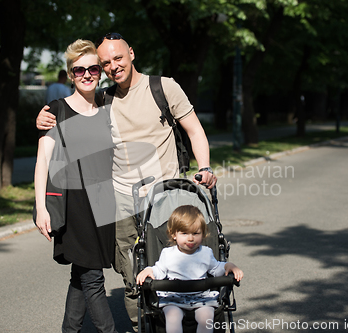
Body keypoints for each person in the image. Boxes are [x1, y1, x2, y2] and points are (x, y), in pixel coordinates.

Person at [36, 32, 217, 331]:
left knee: (174, 273)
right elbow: (68, 113)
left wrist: (205, 166)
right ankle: (141, 327)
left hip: (165, 198)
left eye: (117, 58)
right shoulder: (103, 98)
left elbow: (195, 131)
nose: (112, 66)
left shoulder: (163, 87)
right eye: (104, 62)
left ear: (131, 54)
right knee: (131, 278)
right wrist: (42, 118)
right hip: (118, 201)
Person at [34, 39, 117, 333]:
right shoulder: (57, 110)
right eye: (79, 69)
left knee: (80, 276)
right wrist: (41, 207)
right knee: (93, 278)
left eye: (93, 68)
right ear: (70, 74)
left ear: (100, 71)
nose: (86, 74)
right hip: (75, 206)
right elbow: (43, 161)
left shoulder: (109, 105)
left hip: (105, 203)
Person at [136, 205, 243, 333]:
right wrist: (149, 270)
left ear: (203, 234)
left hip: (201, 297)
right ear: (174, 234)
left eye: (196, 233)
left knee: (206, 318)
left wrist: (228, 266)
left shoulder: (206, 253)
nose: (190, 238)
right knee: (173, 317)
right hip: (173, 297)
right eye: (184, 233)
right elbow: (159, 270)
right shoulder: (168, 253)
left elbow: (216, 269)